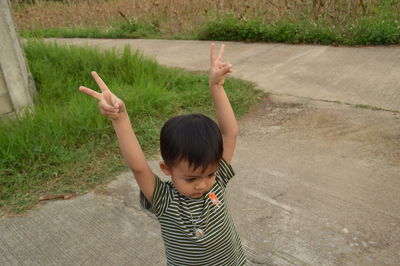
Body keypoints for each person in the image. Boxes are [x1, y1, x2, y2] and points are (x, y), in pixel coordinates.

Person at [79, 43, 246, 265]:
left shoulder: (218, 180)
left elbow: (230, 133)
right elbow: (138, 166)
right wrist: (120, 118)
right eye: (191, 178)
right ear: (167, 169)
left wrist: (217, 87)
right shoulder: (165, 200)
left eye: (209, 174)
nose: (202, 184)